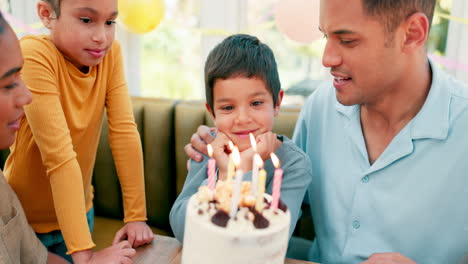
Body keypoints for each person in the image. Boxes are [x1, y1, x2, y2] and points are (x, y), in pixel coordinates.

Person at [184, 0, 468, 263]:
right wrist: (228, 158)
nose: (327, 58)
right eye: (325, 37)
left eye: (347, 40)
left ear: (412, 34)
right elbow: (278, 207)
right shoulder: (321, 107)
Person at [3, 0, 154, 263]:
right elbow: (59, 157)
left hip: (80, 213)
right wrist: (85, 256)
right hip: (24, 220)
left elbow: (124, 132)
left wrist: (136, 216)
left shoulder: (110, 54)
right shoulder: (34, 54)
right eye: (86, 20)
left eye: (110, 22)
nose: (101, 37)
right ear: (47, 15)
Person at [170, 34, 312, 242]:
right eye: (228, 108)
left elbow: (266, 240)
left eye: (256, 103)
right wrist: (225, 172)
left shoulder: (294, 165)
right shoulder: (208, 147)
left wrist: (243, 169)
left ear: (277, 102)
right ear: (212, 112)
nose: (243, 119)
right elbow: (182, 230)